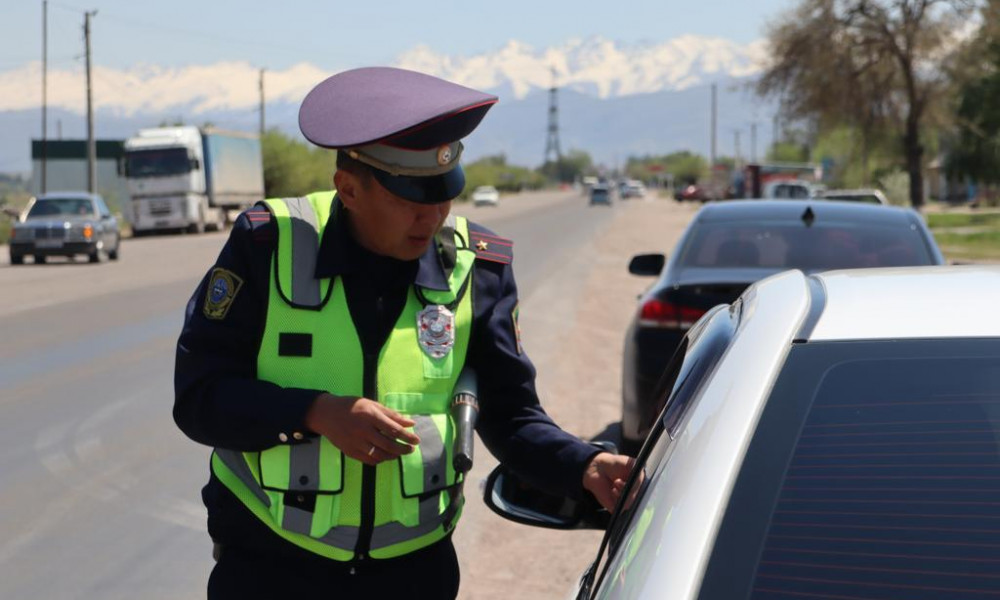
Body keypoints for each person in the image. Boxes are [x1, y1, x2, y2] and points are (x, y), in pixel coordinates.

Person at [173, 66, 636, 599]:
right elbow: (199, 397)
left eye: (444, 198)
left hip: (413, 575)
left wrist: (586, 464)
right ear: (348, 187)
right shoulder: (268, 248)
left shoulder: (475, 269)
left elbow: (511, 415)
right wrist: (315, 413)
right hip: (271, 571)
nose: (433, 219)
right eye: (412, 202)